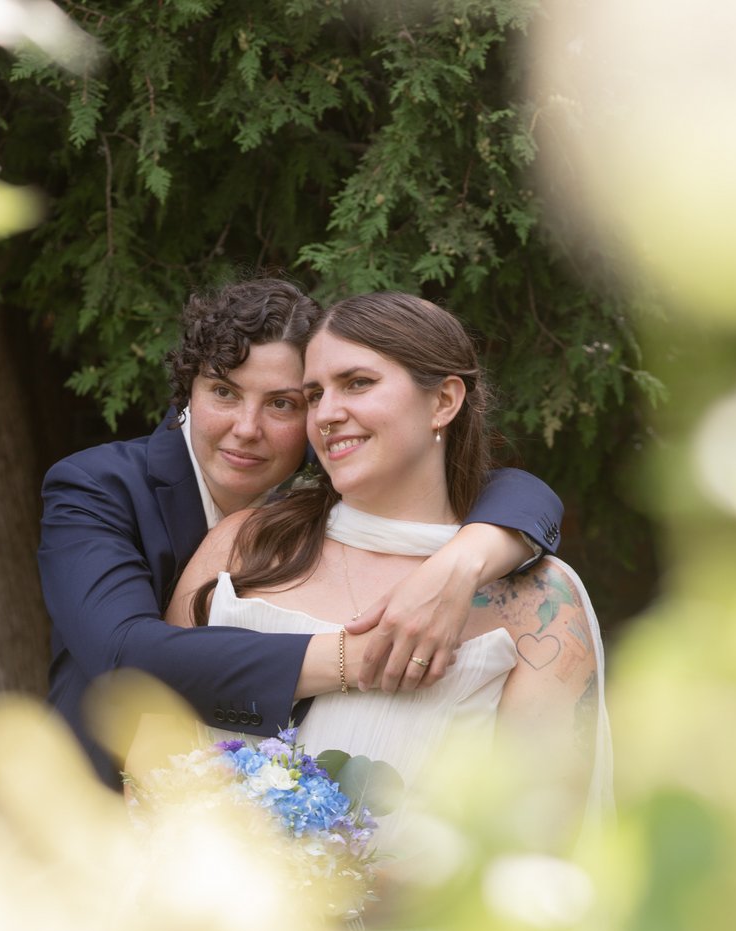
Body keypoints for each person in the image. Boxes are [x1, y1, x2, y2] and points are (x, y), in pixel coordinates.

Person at [167, 292, 624, 931]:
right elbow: (149, 730)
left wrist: (309, 878)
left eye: (357, 383)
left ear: (443, 401)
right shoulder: (241, 548)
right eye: (314, 391)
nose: (327, 412)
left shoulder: (536, 602)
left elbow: (523, 839)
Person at [38, 278, 564, 787]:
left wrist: (465, 559)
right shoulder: (98, 488)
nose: (247, 428)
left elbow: (509, 489)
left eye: (283, 403)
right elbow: (124, 656)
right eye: (224, 392)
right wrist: (355, 659)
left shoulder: (332, 487)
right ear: (186, 396)